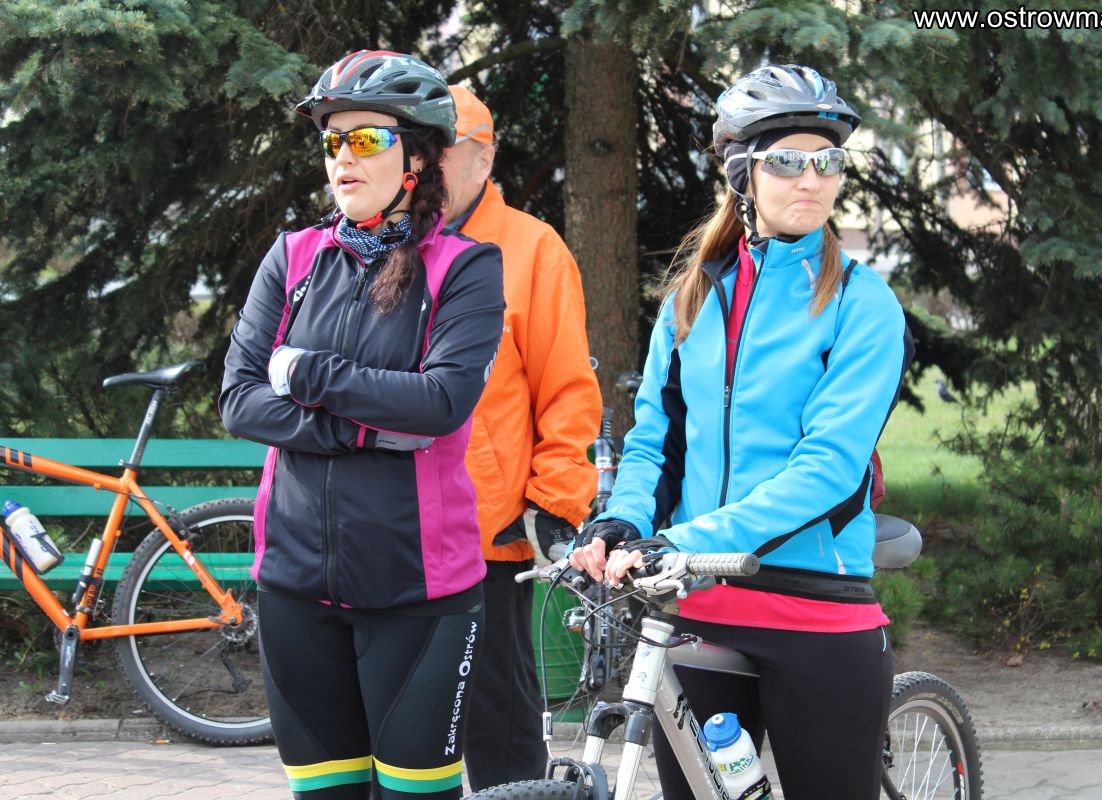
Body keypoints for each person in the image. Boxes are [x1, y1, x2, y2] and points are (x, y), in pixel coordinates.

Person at [570, 64, 912, 800]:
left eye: (828, 161)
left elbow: (827, 468)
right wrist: (624, 521)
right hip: (699, 609)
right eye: (787, 160)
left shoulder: (863, 305)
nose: (811, 179)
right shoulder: (692, 301)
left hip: (815, 606)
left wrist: (683, 539)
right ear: (742, 174)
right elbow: (656, 441)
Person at [220, 50, 504, 800]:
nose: (343, 156)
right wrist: (361, 431)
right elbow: (240, 399)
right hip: (293, 587)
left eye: (367, 138)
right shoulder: (292, 258)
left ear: (418, 157)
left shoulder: (465, 267)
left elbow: (439, 403)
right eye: (332, 140)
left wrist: (308, 373)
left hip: (419, 594)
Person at [443, 84, 602, 790]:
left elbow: (569, 391)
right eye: (421, 149)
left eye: (448, 150)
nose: (429, 165)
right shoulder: (394, 243)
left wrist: (552, 504)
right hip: (397, 529)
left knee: (499, 720)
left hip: (490, 531)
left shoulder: (534, 249)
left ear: (485, 158)